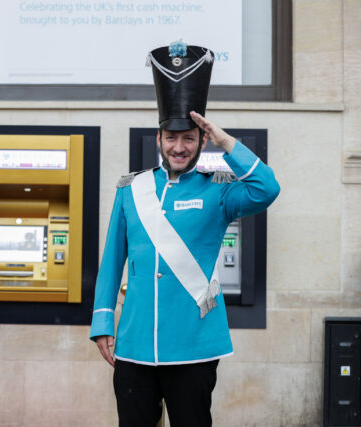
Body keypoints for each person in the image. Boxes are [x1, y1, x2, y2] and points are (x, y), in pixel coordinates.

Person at [90, 41, 280, 426]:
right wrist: (102, 323)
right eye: (171, 138)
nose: (179, 147)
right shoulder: (131, 189)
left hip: (194, 344)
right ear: (159, 139)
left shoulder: (220, 189)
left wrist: (226, 140)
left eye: (189, 138)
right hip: (136, 342)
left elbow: (266, 188)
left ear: (201, 141)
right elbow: (112, 262)